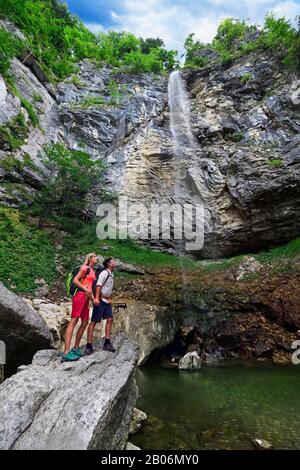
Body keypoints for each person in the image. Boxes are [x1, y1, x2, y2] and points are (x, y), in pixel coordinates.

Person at [61, 253, 98, 362]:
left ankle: (76, 348)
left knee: (85, 322)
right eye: (95, 256)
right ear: (90, 258)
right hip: (80, 295)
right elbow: (75, 280)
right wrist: (85, 289)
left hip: (86, 298)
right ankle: (66, 352)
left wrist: (92, 299)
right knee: (74, 321)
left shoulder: (92, 271)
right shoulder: (84, 267)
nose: (97, 258)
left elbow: (90, 286)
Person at [86, 257, 117, 355]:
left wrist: (109, 297)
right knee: (94, 322)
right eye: (113, 261)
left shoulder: (111, 274)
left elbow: (107, 287)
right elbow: (98, 285)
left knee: (110, 319)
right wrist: (96, 297)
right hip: (100, 300)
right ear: (108, 264)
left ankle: (107, 343)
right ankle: (89, 345)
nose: (115, 263)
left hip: (107, 301)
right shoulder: (105, 273)